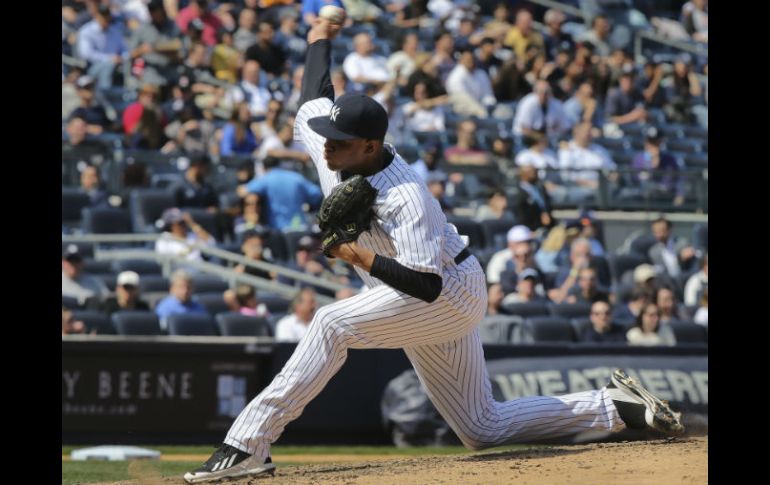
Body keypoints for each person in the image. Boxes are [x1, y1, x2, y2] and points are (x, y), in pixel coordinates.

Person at [184, 17, 684, 483]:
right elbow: (314, 94)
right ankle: (614, 407)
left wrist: (357, 256)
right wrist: (319, 34)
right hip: (406, 294)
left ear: (371, 146)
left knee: (330, 323)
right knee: (481, 427)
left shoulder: (406, 195)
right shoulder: (337, 146)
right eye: (328, 138)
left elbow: (426, 286)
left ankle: (248, 443)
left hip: (445, 294)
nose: (326, 146)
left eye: (339, 141)